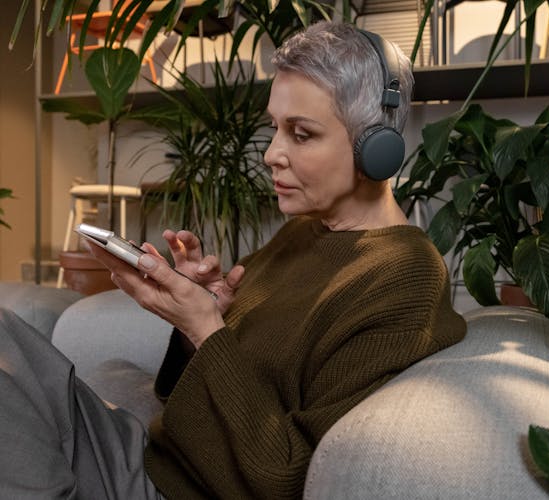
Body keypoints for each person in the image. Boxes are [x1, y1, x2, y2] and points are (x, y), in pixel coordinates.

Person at [0, 20, 466, 499]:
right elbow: (196, 387)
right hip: (145, 454)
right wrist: (197, 319)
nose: (272, 154)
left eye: (301, 134)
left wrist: (206, 327)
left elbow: (288, 478)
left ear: (377, 149)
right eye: (275, 128)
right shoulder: (303, 233)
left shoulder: (402, 278)